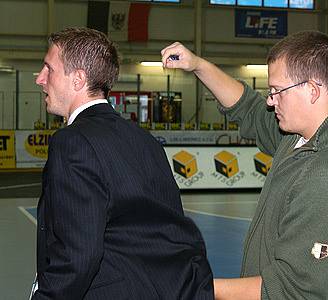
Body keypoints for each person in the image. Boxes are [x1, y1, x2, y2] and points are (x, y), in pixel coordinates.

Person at [161, 30, 328, 300]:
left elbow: (290, 291)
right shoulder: (298, 136)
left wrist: (193, 286)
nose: (270, 100)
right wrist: (198, 66)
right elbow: (248, 107)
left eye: (277, 91)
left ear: (312, 90)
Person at [32, 27, 214, 299]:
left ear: (78, 79)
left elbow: (77, 257)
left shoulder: (72, 142)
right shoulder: (145, 140)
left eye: (49, 69)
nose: (40, 79)